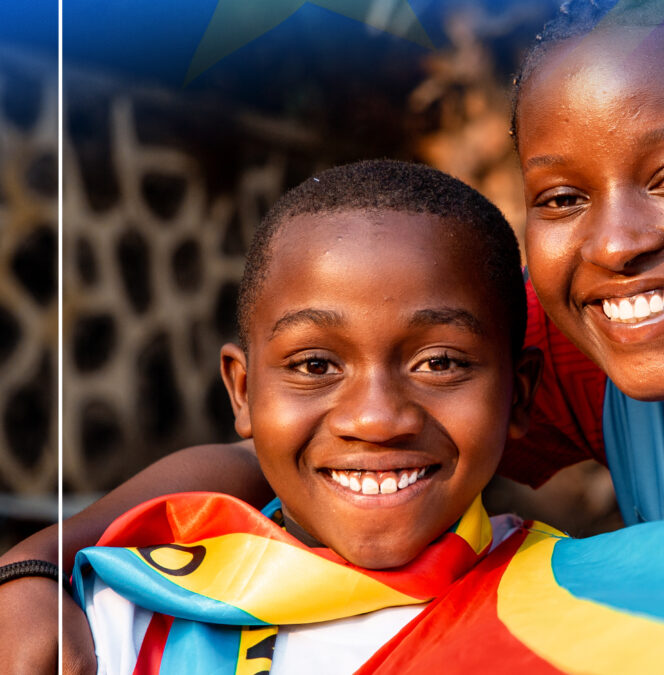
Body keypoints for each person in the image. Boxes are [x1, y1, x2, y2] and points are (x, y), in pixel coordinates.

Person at [4, 0, 664, 668]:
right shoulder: (588, 349)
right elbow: (312, 452)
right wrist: (35, 566)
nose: (615, 244)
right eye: (562, 197)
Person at [69, 159, 544, 672]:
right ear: (243, 392)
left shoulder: (577, 610)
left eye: (439, 363)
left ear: (518, 395)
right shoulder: (110, 628)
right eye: (315, 365)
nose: (375, 420)